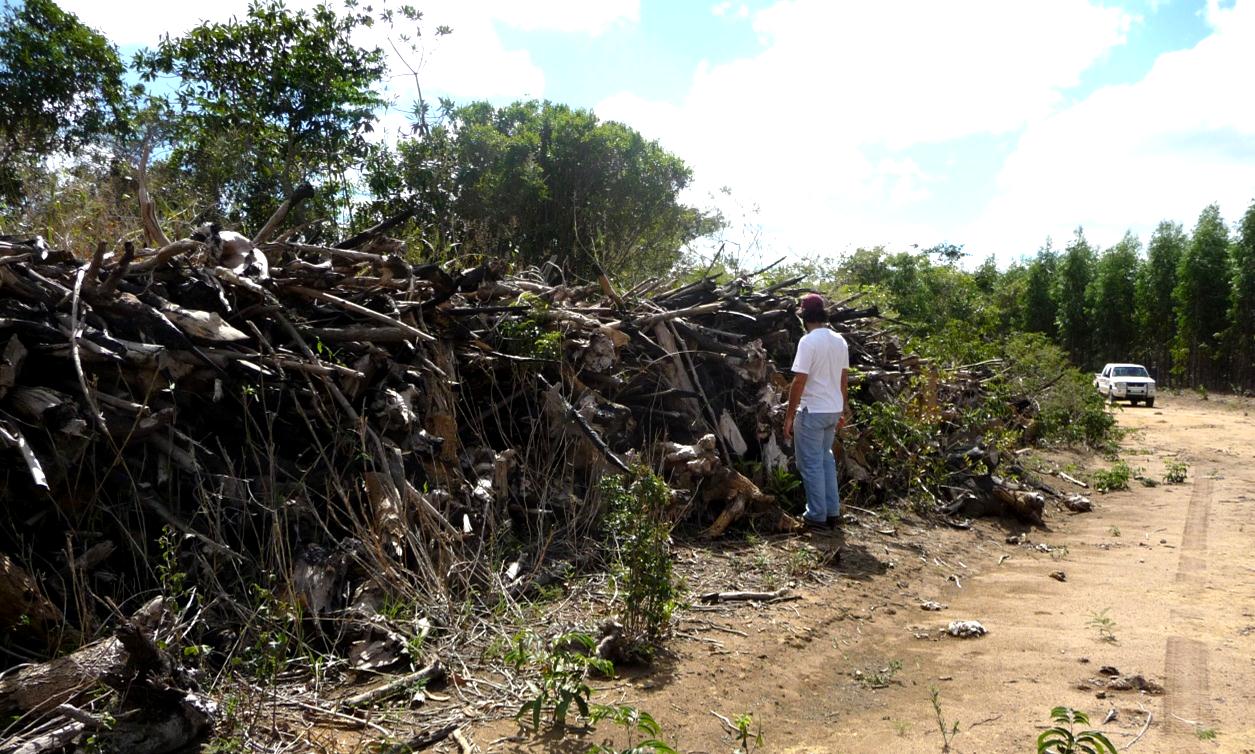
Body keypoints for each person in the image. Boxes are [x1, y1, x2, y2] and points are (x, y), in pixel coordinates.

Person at [783, 293, 850, 531]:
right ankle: (832, 511)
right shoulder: (839, 340)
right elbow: (843, 379)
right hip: (832, 409)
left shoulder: (808, 341)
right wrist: (842, 408)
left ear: (804, 317)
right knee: (825, 460)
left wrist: (789, 415)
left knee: (810, 464)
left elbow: (799, 381)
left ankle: (816, 515)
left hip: (813, 411)